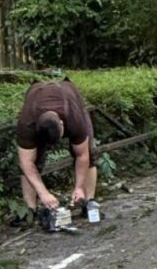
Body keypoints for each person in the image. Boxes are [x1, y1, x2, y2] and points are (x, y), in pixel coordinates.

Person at [16, 78, 99, 221]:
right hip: (36, 95)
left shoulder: (74, 118)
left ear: (62, 124)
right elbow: (26, 163)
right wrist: (43, 193)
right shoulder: (26, 123)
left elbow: (82, 155)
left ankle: (88, 202)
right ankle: (30, 210)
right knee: (31, 163)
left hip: (69, 94)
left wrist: (78, 187)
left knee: (89, 155)